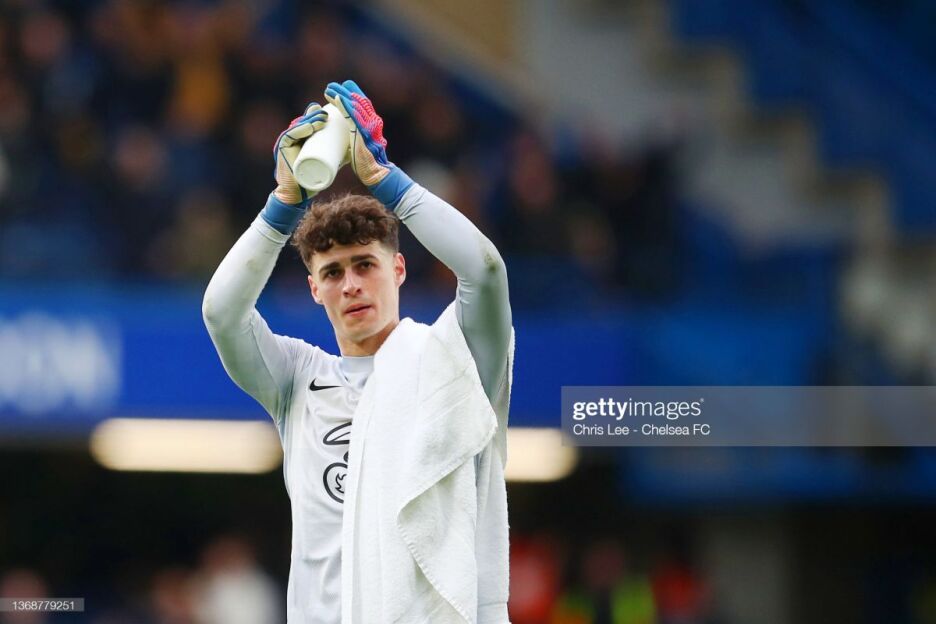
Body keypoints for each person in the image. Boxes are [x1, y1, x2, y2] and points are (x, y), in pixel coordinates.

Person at [202, 80, 513, 623]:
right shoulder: (298, 381)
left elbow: (484, 271)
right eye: (332, 273)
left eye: (365, 265)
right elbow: (222, 313)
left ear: (398, 269)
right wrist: (283, 204)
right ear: (314, 289)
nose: (350, 285)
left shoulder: (452, 360)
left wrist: (385, 181)